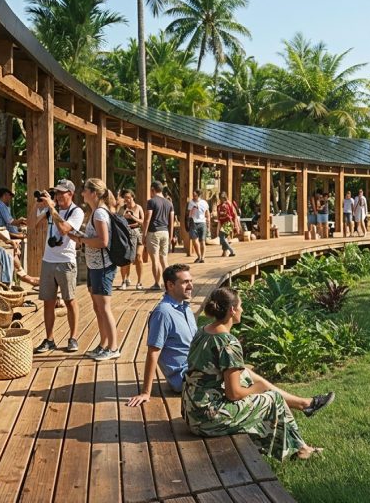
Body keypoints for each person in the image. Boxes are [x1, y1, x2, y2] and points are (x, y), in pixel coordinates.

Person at [181, 286, 334, 460]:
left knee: (245, 372)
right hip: (207, 419)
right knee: (273, 399)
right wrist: (258, 388)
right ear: (232, 310)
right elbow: (233, 394)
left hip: (191, 409)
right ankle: (301, 448)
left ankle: (303, 407)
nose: (242, 310)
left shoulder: (203, 331)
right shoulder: (228, 343)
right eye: (241, 306)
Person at [127, 264, 197, 406]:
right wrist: (146, 392)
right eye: (185, 282)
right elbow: (153, 353)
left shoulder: (185, 308)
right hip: (185, 378)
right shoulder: (163, 313)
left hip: (196, 367)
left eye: (191, 281)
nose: (190, 286)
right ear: (170, 285)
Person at [32, 179, 84, 355]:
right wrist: (41, 205)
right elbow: (35, 225)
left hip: (66, 261)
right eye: (56, 192)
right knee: (48, 302)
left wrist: (52, 208)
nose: (58, 196)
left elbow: (63, 229)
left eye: (62, 192)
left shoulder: (77, 212)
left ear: (71, 193)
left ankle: (73, 337)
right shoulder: (51, 209)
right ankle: (49, 339)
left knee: (69, 300)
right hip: (48, 260)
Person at [70, 178, 120, 361]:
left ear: (93, 193)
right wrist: (80, 236)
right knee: (98, 307)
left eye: (84, 190)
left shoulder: (99, 214)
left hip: (103, 267)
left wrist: (82, 240)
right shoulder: (95, 213)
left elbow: (103, 241)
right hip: (94, 266)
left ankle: (113, 347)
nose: (82, 193)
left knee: (104, 308)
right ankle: (103, 344)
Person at [143, 181, 175, 290]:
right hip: (165, 232)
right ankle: (168, 284)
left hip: (154, 232)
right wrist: (170, 236)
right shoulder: (169, 203)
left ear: (152, 189)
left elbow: (147, 219)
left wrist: (144, 234)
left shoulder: (151, 202)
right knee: (164, 260)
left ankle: (157, 283)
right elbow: (171, 222)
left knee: (155, 260)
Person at [117, 188, 145, 289]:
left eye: (128, 197)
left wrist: (132, 217)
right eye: (125, 198)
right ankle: (124, 280)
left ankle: (139, 282)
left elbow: (143, 221)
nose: (127, 199)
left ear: (133, 197)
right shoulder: (122, 208)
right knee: (126, 258)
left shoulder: (138, 207)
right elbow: (118, 220)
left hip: (137, 234)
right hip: (126, 235)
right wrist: (123, 216)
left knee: (138, 256)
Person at [187, 189, 210, 263]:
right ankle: (199, 256)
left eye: (195, 195)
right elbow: (189, 214)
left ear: (199, 196)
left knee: (202, 241)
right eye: (193, 195)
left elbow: (207, 213)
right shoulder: (191, 202)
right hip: (193, 222)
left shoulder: (204, 203)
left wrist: (208, 223)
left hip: (202, 222)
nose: (193, 196)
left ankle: (203, 257)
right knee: (194, 241)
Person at [216, 191, 238, 258]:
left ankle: (231, 251)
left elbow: (234, 215)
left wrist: (235, 225)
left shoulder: (229, 204)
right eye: (220, 198)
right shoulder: (219, 206)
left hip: (228, 222)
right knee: (223, 238)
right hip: (222, 223)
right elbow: (218, 217)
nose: (222, 199)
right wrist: (218, 226)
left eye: (223, 198)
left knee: (222, 237)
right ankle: (225, 251)